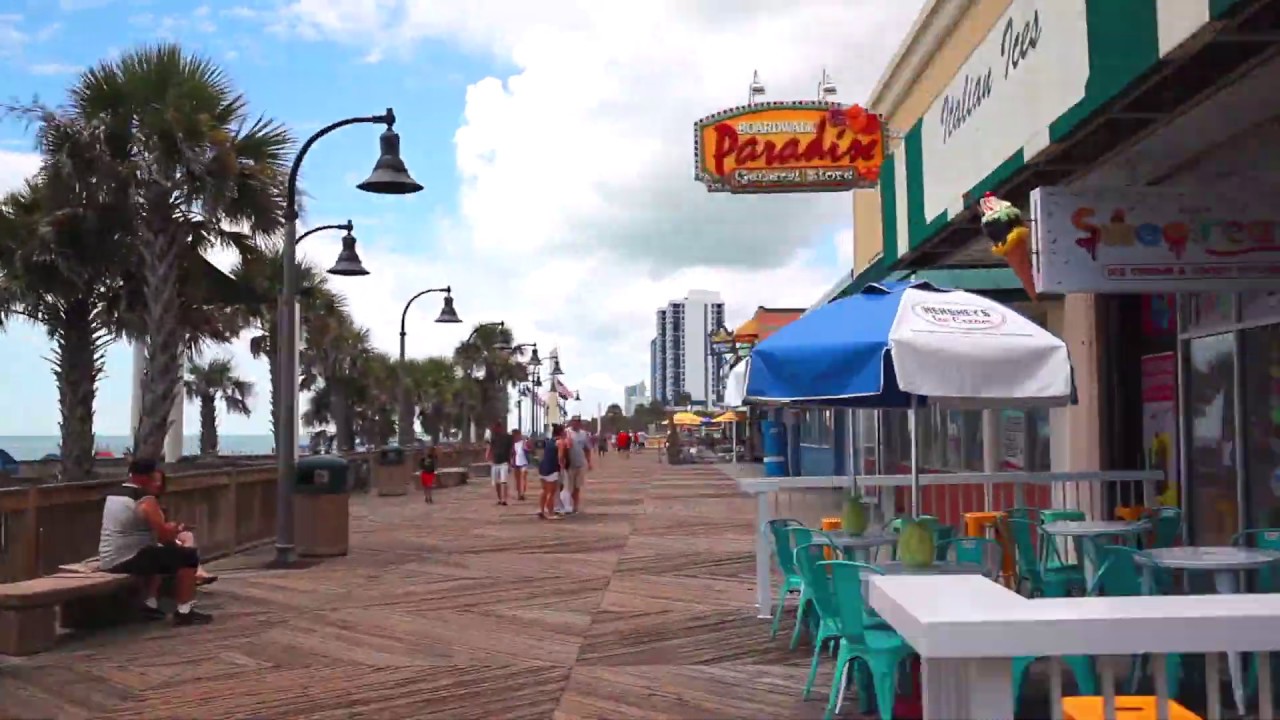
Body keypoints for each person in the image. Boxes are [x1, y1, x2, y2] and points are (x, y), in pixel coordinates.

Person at [99, 459, 211, 625]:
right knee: (188, 556)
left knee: (157, 552)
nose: (156, 481)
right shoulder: (145, 499)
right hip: (129, 559)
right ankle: (184, 611)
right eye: (153, 477)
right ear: (146, 477)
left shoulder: (113, 494)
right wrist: (173, 528)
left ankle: (150, 603)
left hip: (109, 558)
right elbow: (164, 537)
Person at [155, 471, 217, 587]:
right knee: (181, 546)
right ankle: (193, 575)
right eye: (155, 481)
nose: (157, 484)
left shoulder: (157, 500)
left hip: (162, 535)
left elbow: (162, 524)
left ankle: (197, 571)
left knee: (187, 536)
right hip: (153, 539)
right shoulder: (145, 501)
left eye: (159, 481)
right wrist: (171, 529)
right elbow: (155, 528)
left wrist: (175, 528)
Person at [538, 424, 567, 520]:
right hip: (552, 468)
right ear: (561, 432)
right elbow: (560, 457)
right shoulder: (560, 442)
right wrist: (562, 468)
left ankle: (542, 510)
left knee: (545, 490)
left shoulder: (549, 441)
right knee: (551, 492)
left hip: (543, 467)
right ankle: (550, 513)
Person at [565, 416, 593, 514]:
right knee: (569, 487)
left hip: (580, 463)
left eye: (577, 422)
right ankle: (568, 504)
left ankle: (575, 506)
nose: (575, 423)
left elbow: (587, 449)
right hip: (569, 464)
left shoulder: (584, 434)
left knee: (577, 487)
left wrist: (589, 462)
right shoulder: (566, 432)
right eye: (574, 421)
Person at [487, 421, 514, 506]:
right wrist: (488, 456)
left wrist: (511, 461)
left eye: (496, 428)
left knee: (504, 481)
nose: (495, 430)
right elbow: (490, 447)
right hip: (495, 462)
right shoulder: (493, 437)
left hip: (504, 462)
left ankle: (504, 499)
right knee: (497, 482)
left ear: (500, 428)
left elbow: (511, 450)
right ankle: (499, 498)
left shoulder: (508, 437)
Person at [511, 429, 529, 501]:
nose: (514, 436)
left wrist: (527, 447)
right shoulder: (513, 444)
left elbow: (528, 449)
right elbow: (512, 453)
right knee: (517, 479)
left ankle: (522, 493)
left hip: (524, 462)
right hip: (516, 463)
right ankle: (519, 494)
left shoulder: (523, 442)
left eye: (515, 435)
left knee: (523, 478)